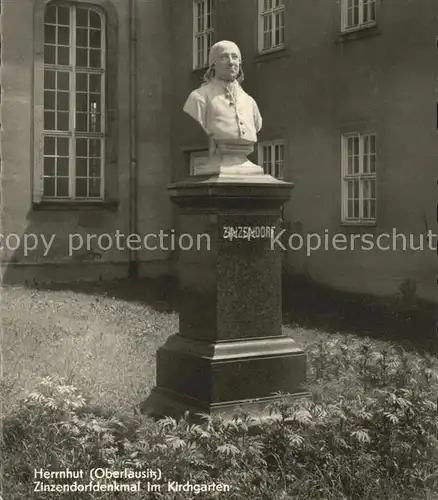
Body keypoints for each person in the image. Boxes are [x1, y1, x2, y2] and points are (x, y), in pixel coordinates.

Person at [183, 40, 262, 155]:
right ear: (213, 65)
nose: (231, 62)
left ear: (239, 63)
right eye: (224, 57)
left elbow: (257, 125)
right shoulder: (198, 98)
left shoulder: (250, 102)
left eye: (235, 57)